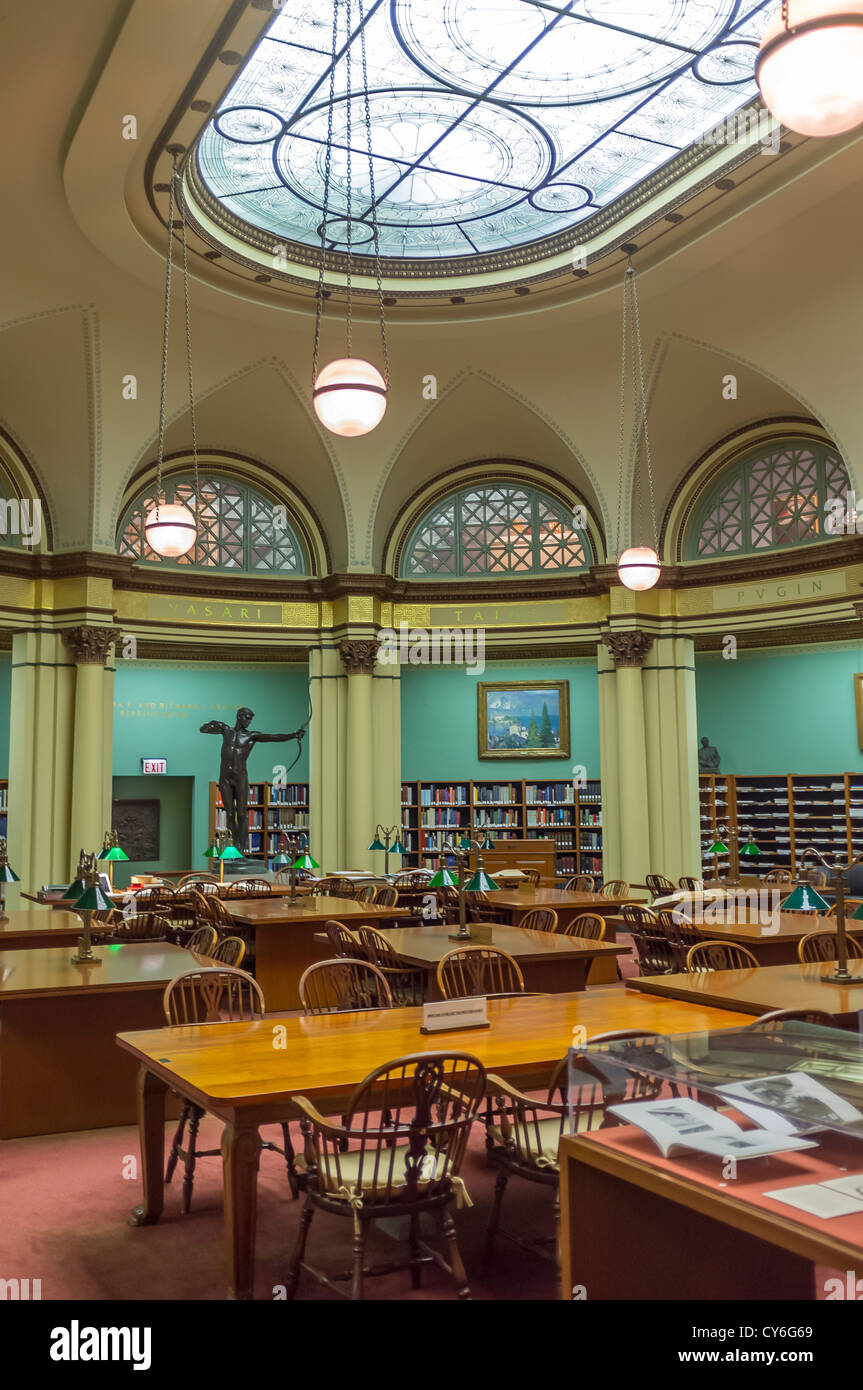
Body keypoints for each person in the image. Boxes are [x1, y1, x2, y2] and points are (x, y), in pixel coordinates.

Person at [200, 707, 306, 854]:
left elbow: (273, 737)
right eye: (247, 717)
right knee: (230, 814)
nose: (249, 721)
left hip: (240, 778)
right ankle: (232, 849)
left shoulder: (251, 736)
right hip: (224, 778)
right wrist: (213, 724)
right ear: (239, 717)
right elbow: (203, 729)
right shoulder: (227, 731)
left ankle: (241, 850)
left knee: (242, 814)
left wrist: (293, 735)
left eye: (251, 718)